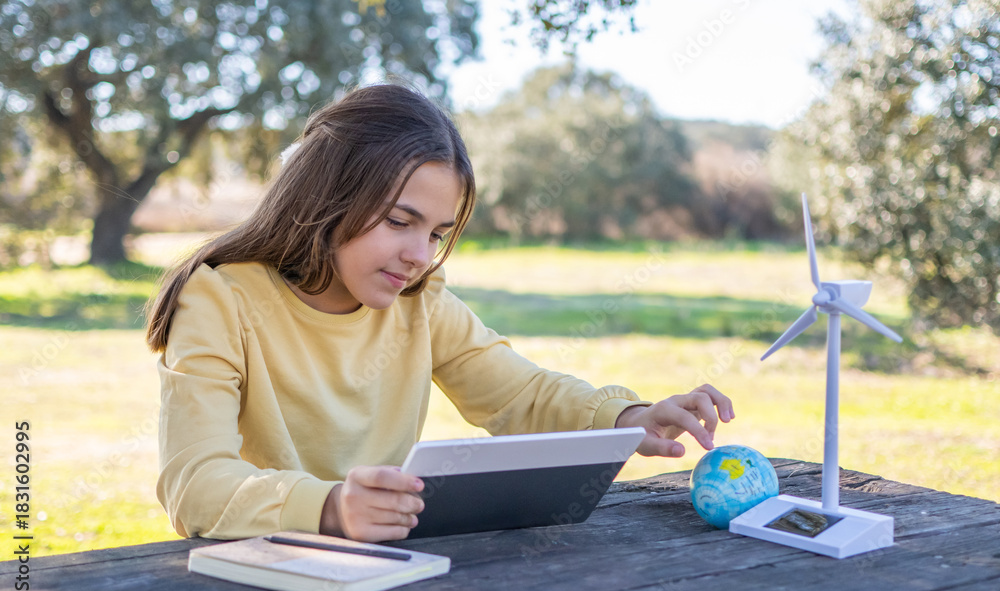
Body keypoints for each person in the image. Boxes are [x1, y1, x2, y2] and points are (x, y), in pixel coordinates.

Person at [145, 84, 734, 544]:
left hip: (389, 572)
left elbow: (518, 394)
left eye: (436, 233)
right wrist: (330, 507)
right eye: (399, 222)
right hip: (255, 581)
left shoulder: (417, 302)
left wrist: (627, 417)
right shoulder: (219, 300)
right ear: (325, 197)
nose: (419, 256)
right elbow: (195, 485)